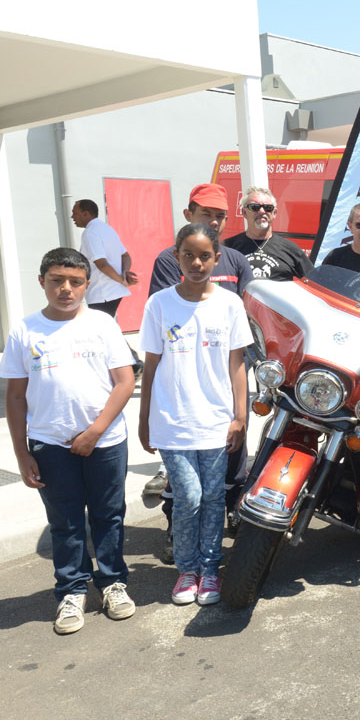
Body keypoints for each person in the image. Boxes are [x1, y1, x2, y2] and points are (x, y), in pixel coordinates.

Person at [0, 247, 136, 634]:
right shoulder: (25, 331)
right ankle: (72, 591)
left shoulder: (102, 325)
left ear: (87, 285)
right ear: (42, 282)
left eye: (75, 282)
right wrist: (21, 451)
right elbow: (14, 396)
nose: (66, 289)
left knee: (109, 515)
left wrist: (95, 431)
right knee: (66, 521)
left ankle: (112, 583)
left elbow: (125, 381)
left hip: (105, 442)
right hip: (50, 444)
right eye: (57, 280)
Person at [139, 223, 252, 606]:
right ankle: (187, 569)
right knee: (188, 496)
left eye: (205, 255)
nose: (197, 262)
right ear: (177, 257)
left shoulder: (230, 304)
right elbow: (150, 367)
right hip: (173, 421)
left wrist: (241, 416)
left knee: (214, 497)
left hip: (217, 423)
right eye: (189, 255)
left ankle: (210, 571)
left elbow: (237, 365)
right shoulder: (159, 304)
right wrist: (144, 419)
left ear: (217, 259)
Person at [71, 198, 142, 372]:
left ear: (86, 214)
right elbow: (126, 256)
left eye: (75, 212)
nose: (72, 217)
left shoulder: (90, 233)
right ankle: (129, 364)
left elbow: (101, 263)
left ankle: (133, 364)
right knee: (105, 327)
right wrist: (124, 275)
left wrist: (122, 279)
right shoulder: (107, 229)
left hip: (102, 292)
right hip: (112, 290)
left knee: (103, 328)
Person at [224, 186, 313, 281]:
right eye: (254, 207)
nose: (262, 211)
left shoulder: (291, 250)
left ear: (274, 213)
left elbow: (314, 284)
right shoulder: (228, 248)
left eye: (268, 208)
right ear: (244, 212)